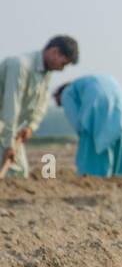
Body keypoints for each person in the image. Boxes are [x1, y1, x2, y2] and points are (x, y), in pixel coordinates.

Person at [1, 35, 78, 177]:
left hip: (10, 129)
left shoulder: (45, 74)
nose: (62, 69)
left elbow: (41, 105)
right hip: (4, 127)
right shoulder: (19, 66)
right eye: (63, 64)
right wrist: (8, 145)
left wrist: (31, 126)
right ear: (55, 52)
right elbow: (11, 107)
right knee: (12, 171)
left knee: (20, 172)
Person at [54, 74, 122, 177]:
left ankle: (93, 177)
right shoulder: (88, 82)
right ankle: (118, 177)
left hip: (97, 111)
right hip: (120, 111)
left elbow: (75, 120)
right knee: (118, 156)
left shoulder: (67, 93)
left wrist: (83, 137)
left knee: (92, 155)